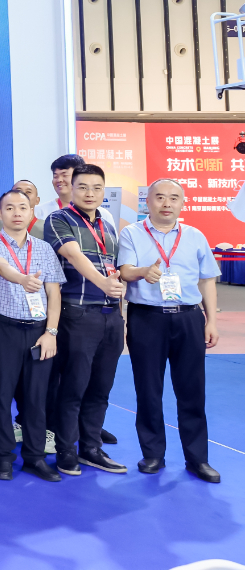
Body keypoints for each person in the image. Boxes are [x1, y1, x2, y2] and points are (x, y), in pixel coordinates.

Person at [118, 179, 222, 483]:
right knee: (148, 389)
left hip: (189, 317)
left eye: (174, 198)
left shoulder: (195, 236)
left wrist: (211, 320)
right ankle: (153, 454)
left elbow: (207, 280)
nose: (167, 203)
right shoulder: (131, 233)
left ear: (182, 202)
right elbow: (125, 271)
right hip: (147, 318)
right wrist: (143, 272)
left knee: (192, 390)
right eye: (160, 197)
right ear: (148, 202)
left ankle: (197, 458)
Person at [44, 163, 127, 476]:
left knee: (101, 388)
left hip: (111, 316)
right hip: (77, 314)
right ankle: (66, 450)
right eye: (83, 187)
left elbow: (114, 267)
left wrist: (119, 307)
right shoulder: (59, 218)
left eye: (96, 188)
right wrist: (102, 282)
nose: (90, 193)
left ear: (104, 191)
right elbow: (73, 254)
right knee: (74, 387)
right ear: (71, 188)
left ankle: (91, 448)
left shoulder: (107, 224)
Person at [0, 188, 64, 482]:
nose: (17, 213)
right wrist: (22, 279)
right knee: (0, 395)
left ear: (31, 212)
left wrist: (51, 332)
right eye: (10, 208)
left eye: (22, 208)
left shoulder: (44, 249)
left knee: (36, 397)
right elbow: (1, 268)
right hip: (3, 329)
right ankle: (4, 457)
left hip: (40, 332)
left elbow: (54, 293)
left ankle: (35, 457)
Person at [37, 154, 117, 229]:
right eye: (55, 176)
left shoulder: (103, 215)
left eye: (65, 175)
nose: (59, 180)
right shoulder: (40, 211)